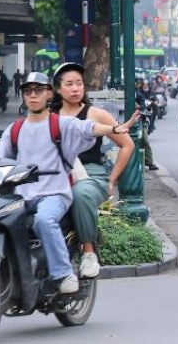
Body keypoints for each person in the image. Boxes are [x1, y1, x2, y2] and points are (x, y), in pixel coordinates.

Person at [0, 72, 140, 294]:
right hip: (22, 196)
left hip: (54, 194)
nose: (33, 95)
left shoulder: (61, 125)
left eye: (38, 90)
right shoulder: (15, 129)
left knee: (44, 220)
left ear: (49, 94)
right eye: (28, 91)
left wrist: (113, 129)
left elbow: (88, 128)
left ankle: (63, 273)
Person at [51, 63, 136, 279]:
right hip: (55, 172)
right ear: (58, 89)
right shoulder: (47, 115)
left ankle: (88, 251)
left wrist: (112, 180)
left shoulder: (95, 114)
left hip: (90, 174)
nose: (75, 88)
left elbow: (127, 144)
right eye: (69, 84)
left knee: (80, 194)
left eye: (79, 83)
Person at [135, 79, 158, 170]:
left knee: (145, 140)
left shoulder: (139, 94)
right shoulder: (128, 93)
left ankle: (149, 162)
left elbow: (144, 105)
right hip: (126, 122)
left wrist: (139, 106)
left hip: (140, 120)